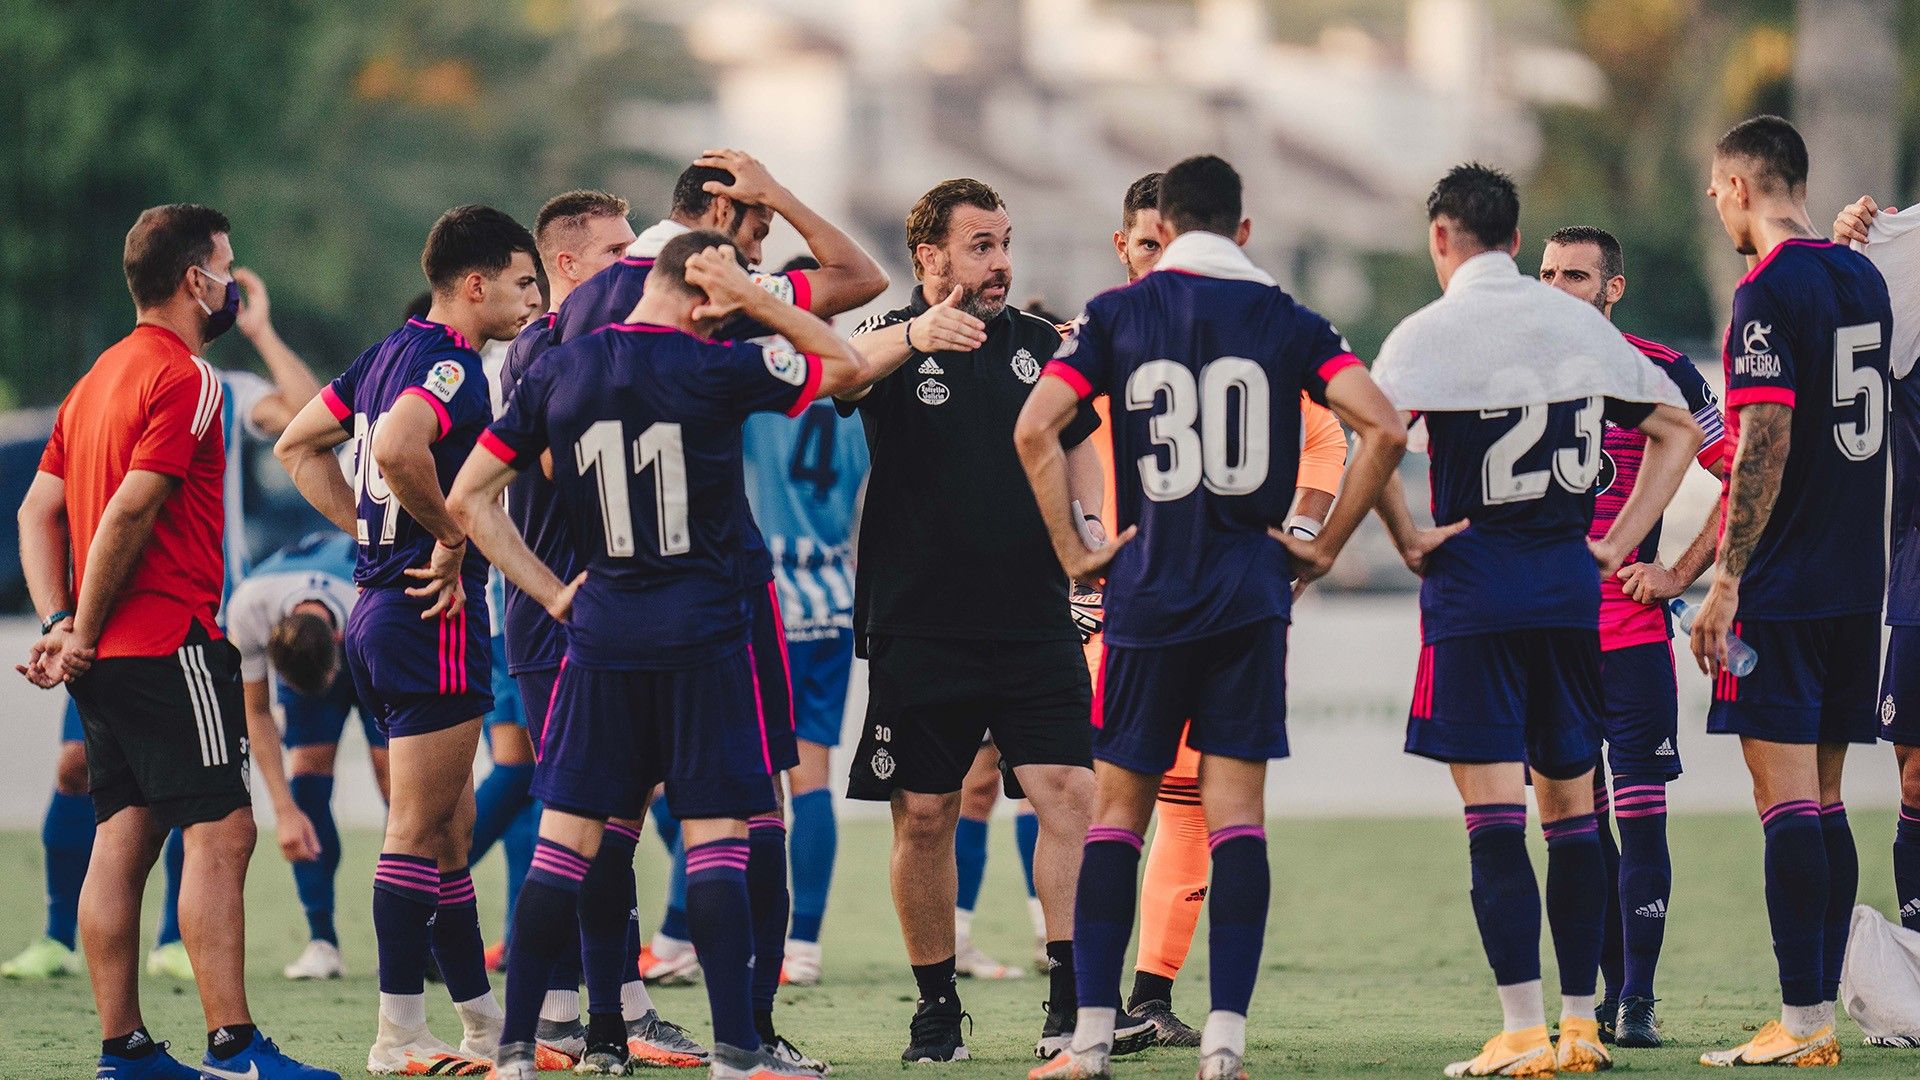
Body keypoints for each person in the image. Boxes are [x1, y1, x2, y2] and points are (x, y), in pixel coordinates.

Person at [447, 230, 884, 1080]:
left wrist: (548, 590)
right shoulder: (716, 368)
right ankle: (736, 1053)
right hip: (705, 632)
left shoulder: (557, 370)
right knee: (720, 836)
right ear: (704, 292)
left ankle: (514, 1051)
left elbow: (469, 498)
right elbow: (849, 365)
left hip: (600, 630)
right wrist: (760, 302)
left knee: (564, 842)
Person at [1015, 154, 1406, 1080]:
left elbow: (1034, 428)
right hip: (1247, 599)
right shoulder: (1285, 317)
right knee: (1237, 821)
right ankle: (1224, 1039)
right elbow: (1383, 429)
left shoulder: (1117, 315)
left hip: (1146, 595)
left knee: (1118, 816)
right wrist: (1322, 544)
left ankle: (1093, 1039)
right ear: (1241, 231)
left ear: (1167, 228)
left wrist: (1076, 554)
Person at [552, 152, 886, 1068]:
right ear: (723, 217)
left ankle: (599, 1028)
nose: (766, 238)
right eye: (760, 223)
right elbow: (860, 291)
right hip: (716, 591)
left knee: (596, 819)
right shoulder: (717, 285)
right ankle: (752, 1037)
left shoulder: (580, 308)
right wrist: (775, 195)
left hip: (588, 594)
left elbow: (525, 455)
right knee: (749, 813)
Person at [1370, 165, 1700, 1077]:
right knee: (1574, 814)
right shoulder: (1572, 325)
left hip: (1474, 595)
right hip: (1567, 593)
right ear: (1518, 242)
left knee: (1492, 819)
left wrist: (1407, 533)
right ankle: (1584, 1024)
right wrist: (1622, 542)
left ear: (1443, 239)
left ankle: (1520, 1032)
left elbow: (1376, 435)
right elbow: (1677, 429)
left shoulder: (1428, 332)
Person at [15, 203, 336, 1080]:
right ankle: (234, 1047)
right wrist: (76, 621)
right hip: (172, 642)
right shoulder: (186, 377)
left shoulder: (95, 379)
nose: (232, 281)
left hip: (106, 660)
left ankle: (124, 1052)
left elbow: (37, 511)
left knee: (123, 834)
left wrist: (60, 624)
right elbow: (130, 507)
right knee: (225, 831)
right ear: (197, 280)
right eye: (226, 266)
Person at [840, 176, 1141, 1064]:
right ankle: (937, 1007)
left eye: (1005, 241)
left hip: (1034, 616)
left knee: (1070, 796)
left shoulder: (1044, 344)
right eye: (981, 244)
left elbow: (1080, 440)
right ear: (929, 257)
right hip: (918, 619)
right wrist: (914, 334)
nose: (1001, 260)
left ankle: (1070, 1000)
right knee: (925, 814)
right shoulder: (881, 339)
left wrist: (1090, 536)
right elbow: (836, 378)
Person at [274, 204, 541, 1074]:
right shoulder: (456, 364)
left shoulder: (386, 352)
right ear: (476, 285)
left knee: (451, 830)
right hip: (432, 615)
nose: (534, 300)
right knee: (418, 827)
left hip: (378, 612)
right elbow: (395, 445)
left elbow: (295, 442)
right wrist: (446, 534)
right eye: (523, 282)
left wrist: (373, 533)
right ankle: (397, 1034)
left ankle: (481, 1026)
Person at [1101, 171, 1353, 1047]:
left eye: (1161, 239)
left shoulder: (1135, 327)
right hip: (1106, 603)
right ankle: (1083, 1001)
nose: (1157, 256)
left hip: (1144, 599)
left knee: (1169, 804)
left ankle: (1137, 999)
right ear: (1125, 244)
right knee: (1065, 800)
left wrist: (1305, 530)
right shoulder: (1118, 328)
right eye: (1142, 244)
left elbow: (1329, 436)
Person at [1689, 115, 1894, 1068]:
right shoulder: (1863, 276)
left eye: (1713, 188)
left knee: (1785, 804)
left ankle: (1803, 1022)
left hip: (1783, 583)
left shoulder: (1766, 291)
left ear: (1737, 186)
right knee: (1826, 798)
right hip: (1858, 579)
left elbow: (1761, 440)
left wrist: (1727, 577)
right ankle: (1826, 1011)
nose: (1712, 202)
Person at [496, 188, 709, 1071]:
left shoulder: (585, 345)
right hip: (563, 618)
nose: (633, 262)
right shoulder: (551, 351)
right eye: (617, 250)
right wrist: (551, 592)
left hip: (600, 614)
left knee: (608, 812)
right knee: (583, 816)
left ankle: (588, 1009)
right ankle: (574, 1012)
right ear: (569, 266)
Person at [1536, 224, 1731, 1047]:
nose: (1555, 289)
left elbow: (1746, 474)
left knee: (1641, 816)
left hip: (1629, 636)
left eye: (1575, 276)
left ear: (1612, 289)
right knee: (1577, 828)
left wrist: (1680, 573)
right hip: (1545, 643)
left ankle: (1640, 1001)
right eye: (1544, 274)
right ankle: (1600, 997)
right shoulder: (1511, 369)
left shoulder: (1665, 371)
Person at [737, 253, 872, 988]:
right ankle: (809, 941)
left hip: (769, 600)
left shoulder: (756, 382)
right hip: (833, 597)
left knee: (755, 780)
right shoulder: (853, 385)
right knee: (814, 773)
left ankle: (738, 934)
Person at [225, 528, 392, 981]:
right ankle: (322, 941)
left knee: (397, 785)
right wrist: (283, 810)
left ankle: (414, 931)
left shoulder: (371, 607)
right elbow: (256, 712)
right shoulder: (249, 608)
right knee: (305, 785)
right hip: (310, 617)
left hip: (374, 637)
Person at [1835, 193, 1920, 952]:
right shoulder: (1907, 250)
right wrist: (1846, 252)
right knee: (1916, 776)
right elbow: (1830, 334)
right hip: (1919, 568)